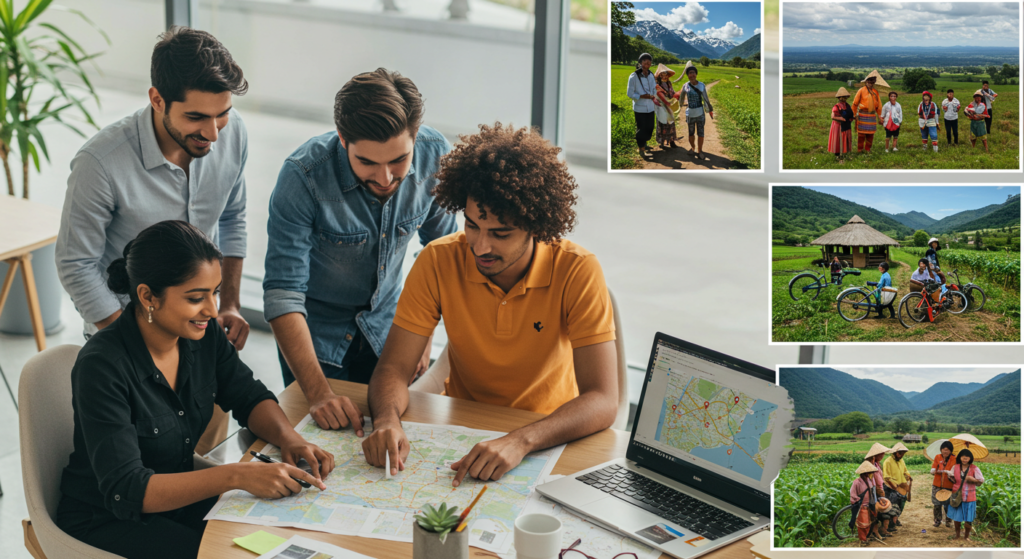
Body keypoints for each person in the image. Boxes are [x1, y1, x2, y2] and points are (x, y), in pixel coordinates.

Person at [54, 221, 335, 559]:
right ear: (147, 296)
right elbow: (127, 488)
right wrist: (235, 475)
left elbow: (248, 395)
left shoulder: (203, 337)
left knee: (282, 539)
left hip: (177, 502)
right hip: (107, 518)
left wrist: (291, 438)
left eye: (214, 293)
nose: (212, 311)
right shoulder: (103, 365)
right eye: (195, 298)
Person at [361, 123, 618, 485]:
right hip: (462, 430)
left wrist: (520, 440)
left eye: (500, 233)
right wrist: (386, 421)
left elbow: (603, 399)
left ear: (536, 225)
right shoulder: (438, 260)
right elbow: (393, 370)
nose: (480, 246)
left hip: (547, 436)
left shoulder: (577, 270)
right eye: (472, 225)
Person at [55, 26, 250, 456]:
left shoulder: (232, 135)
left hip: (201, 337)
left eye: (222, 114)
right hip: (127, 341)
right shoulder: (100, 163)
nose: (214, 134)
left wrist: (230, 303)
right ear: (157, 99)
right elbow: (75, 263)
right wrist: (132, 345)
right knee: (145, 479)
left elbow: (233, 219)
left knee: (205, 469)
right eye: (196, 118)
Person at [262, 68, 456, 432]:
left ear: (416, 137)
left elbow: (443, 253)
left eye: (398, 160)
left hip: (392, 333)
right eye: (367, 162)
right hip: (316, 342)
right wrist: (318, 393)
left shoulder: (434, 157)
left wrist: (424, 335)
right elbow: (283, 294)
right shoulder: (302, 177)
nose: (385, 178)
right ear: (342, 139)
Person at [675, 61, 714, 160]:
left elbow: (705, 98)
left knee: (701, 133)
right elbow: (681, 98)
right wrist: (676, 107)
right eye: (690, 73)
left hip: (700, 113)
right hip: (690, 114)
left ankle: (700, 151)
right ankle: (693, 148)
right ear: (687, 75)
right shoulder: (685, 86)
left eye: (693, 73)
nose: (692, 75)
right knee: (691, 133)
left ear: (696, 74)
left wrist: (709, 109)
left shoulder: (702, 85)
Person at [947, 449, 984, 542]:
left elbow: (981, 481)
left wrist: (973, 479)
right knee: (957, 517)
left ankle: (966, 536)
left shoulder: (975, 468)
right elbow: (951, 477)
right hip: (957, 496)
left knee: (969, 518)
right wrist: (952, 479)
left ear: (970, 458)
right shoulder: (955, 467)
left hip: (970, 496)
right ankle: (957, 534)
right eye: (963, 456)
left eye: (967, 456)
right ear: (959, 457)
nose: (965, 458)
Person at [626, 53, 657, 157]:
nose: (647, 62)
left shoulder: (651, 75)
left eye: (649, 61)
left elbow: (654, 88)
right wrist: (643, 96)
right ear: (640, 62)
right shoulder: (634, 76)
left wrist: (653, 95)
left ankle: (644, 142)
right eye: (644, 60)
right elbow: (629, 93)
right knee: (641, 128)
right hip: (640, 107)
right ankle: (641, 148)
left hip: (651, 106)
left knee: (650, 127)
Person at [865, 443, 899, 537]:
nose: (883, 455)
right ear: (876, 454)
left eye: (883, 453)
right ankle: (875, 531)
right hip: (874, 490)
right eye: (881, 453)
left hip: (879, 489)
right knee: (876, 511)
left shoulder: (877, 464)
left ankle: (882, 529)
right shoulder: (870, 465)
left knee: (883, 509)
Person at [851, 71, 883, 153]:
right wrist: (853, 114)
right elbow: (855, 103)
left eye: (872, 81)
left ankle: (868, 149)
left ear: (874, 82)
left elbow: (879, 106)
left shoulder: (876, 92)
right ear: (866, 81)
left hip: (872, 116)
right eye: (869, 81)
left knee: (870, 134)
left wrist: (880, 117)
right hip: (862, 115)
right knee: (861, 134)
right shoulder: (861, 90)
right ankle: (860, 149)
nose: (870, 83)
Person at [882, 442, 912, 527]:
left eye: (903, 454)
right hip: (891, 488)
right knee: (892, 506)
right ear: (895, 452)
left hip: (902, 487)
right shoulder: (887, 462)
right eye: (900, 453)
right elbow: (887, 477)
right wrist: (894, 487)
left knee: (900, 505)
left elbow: (905, 471)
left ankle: (896, 519)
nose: (901, 455)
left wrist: (908, 476)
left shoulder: (901, 461)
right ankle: (891, 524)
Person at [851, 461, 879, 547]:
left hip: (869, 504)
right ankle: (863, 540)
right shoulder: (857, 482)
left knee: (870, 522)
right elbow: (852, 494)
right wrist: (857, 499)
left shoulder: (869, 481)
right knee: (863, 525)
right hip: (862, 506)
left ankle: (867, 536)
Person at [931, 440, 956, 528]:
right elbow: (933, 468)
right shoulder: (937, 457)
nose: (945, 451)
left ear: (951, 451)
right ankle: (937, 520)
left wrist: (950, 473)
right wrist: (934, 470)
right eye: (943, 449)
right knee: (936, 503)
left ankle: (949, 520)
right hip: (937, 484)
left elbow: (956, 471)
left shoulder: (955, 459)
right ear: (941, 450)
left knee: (948, 504)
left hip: (948, 485)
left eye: (947, 450)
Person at [653, 64, 679, 150]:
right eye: (662, 74)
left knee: (670, 123)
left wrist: (674, 97)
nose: (664, 76)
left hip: (669, 106)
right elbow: (657, 95)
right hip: (661, 107)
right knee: (662, 123)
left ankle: (671, 141)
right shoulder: (657, 84)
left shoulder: (669, 83)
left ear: (668, 75)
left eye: (666, 74)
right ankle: (662, 142)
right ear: (659, 76)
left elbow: (672, 93)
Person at [828, 88, 854, 160]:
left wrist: (852, 118)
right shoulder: (836, 106)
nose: (844, 98)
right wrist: (841, 119)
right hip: (838, 126)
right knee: (838, 140)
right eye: (842, 96)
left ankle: (845, 153)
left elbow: (850, 114)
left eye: (845, 96)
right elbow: (833, 116)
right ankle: (838, 155)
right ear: (839, 97)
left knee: (845, 139)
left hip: (846, 125)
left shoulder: (847, 105)